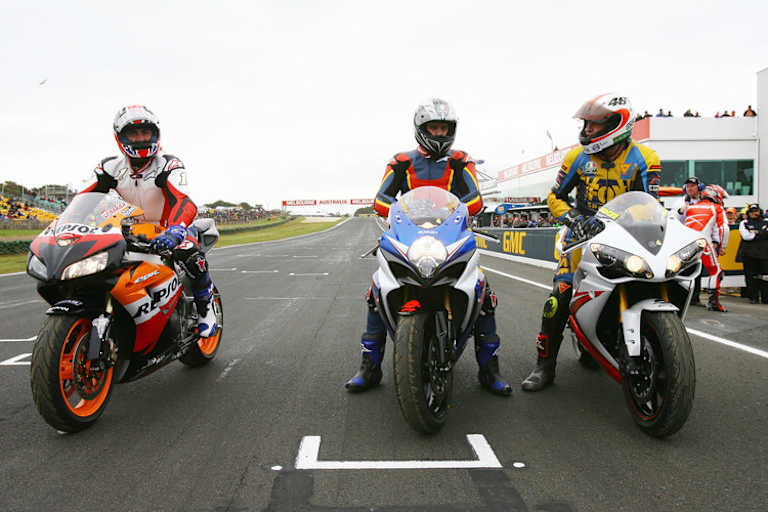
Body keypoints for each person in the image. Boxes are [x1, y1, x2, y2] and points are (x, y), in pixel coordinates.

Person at [345, 98, 512, 396]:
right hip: (408, 235)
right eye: (433, 128)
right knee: (375, 291)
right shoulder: (401, 161)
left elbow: (475, 198)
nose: (438, 133)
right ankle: (369, 367)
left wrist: (458, 206)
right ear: (421, 129)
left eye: (443, 128)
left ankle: (490, 370)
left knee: (484, 292)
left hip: (451, 235)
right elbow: (380, 199)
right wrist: (398, 208)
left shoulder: (461, 159)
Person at [521, 93, 662, 391]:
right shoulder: (577, 157)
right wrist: (572, 218)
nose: (587, 130)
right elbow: (554, 197)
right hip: (581, 235)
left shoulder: (645, 159)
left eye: (594, 125)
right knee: (558, 297)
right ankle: (544, 366)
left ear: (617, 124)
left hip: (627, 236)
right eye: (586, 124)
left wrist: (623, 218)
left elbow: (651, 203)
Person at [80, 105, 219, 338]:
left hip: (172, 226)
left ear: (156, 134)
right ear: (120, 137)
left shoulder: (168, 164)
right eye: (133, 134)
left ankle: (206, 308)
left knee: (191, 253)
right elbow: (84, 199)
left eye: (146, 132)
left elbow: (183, 201)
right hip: (134, 229)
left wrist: (175, 230)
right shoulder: (109, 167)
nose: (141, 139)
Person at [684, 185, 729, 312]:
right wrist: (723, 246)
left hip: (686, 244)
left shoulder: (691, 207)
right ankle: (713, 302)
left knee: (685, 272)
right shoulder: (716, 208)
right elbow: (724, 229)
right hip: (704, 243)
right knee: (716, 271)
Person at [739, 203, 768, 304]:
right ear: (749, 213)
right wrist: (762, 233)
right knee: (751, 276)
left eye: (756, 211)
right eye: (752, 212)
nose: (754, 213)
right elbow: (746, 236)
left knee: (765, 277)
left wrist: (757, 232)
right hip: (749, 254)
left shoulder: (766, 221)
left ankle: (765, 298)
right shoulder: (744, 223)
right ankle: (753, 297)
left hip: (764, 254)